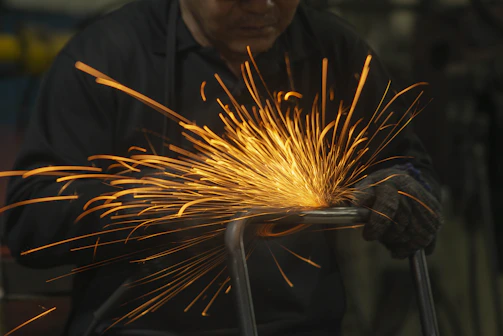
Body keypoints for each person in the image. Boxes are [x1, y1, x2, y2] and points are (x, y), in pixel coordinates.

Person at [4, 0, 442, 335]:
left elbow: (402, 160)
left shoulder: (332, 49)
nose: (263, 8)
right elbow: (31, 221)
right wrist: (151, 206)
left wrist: (404, 186)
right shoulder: (106, 57)